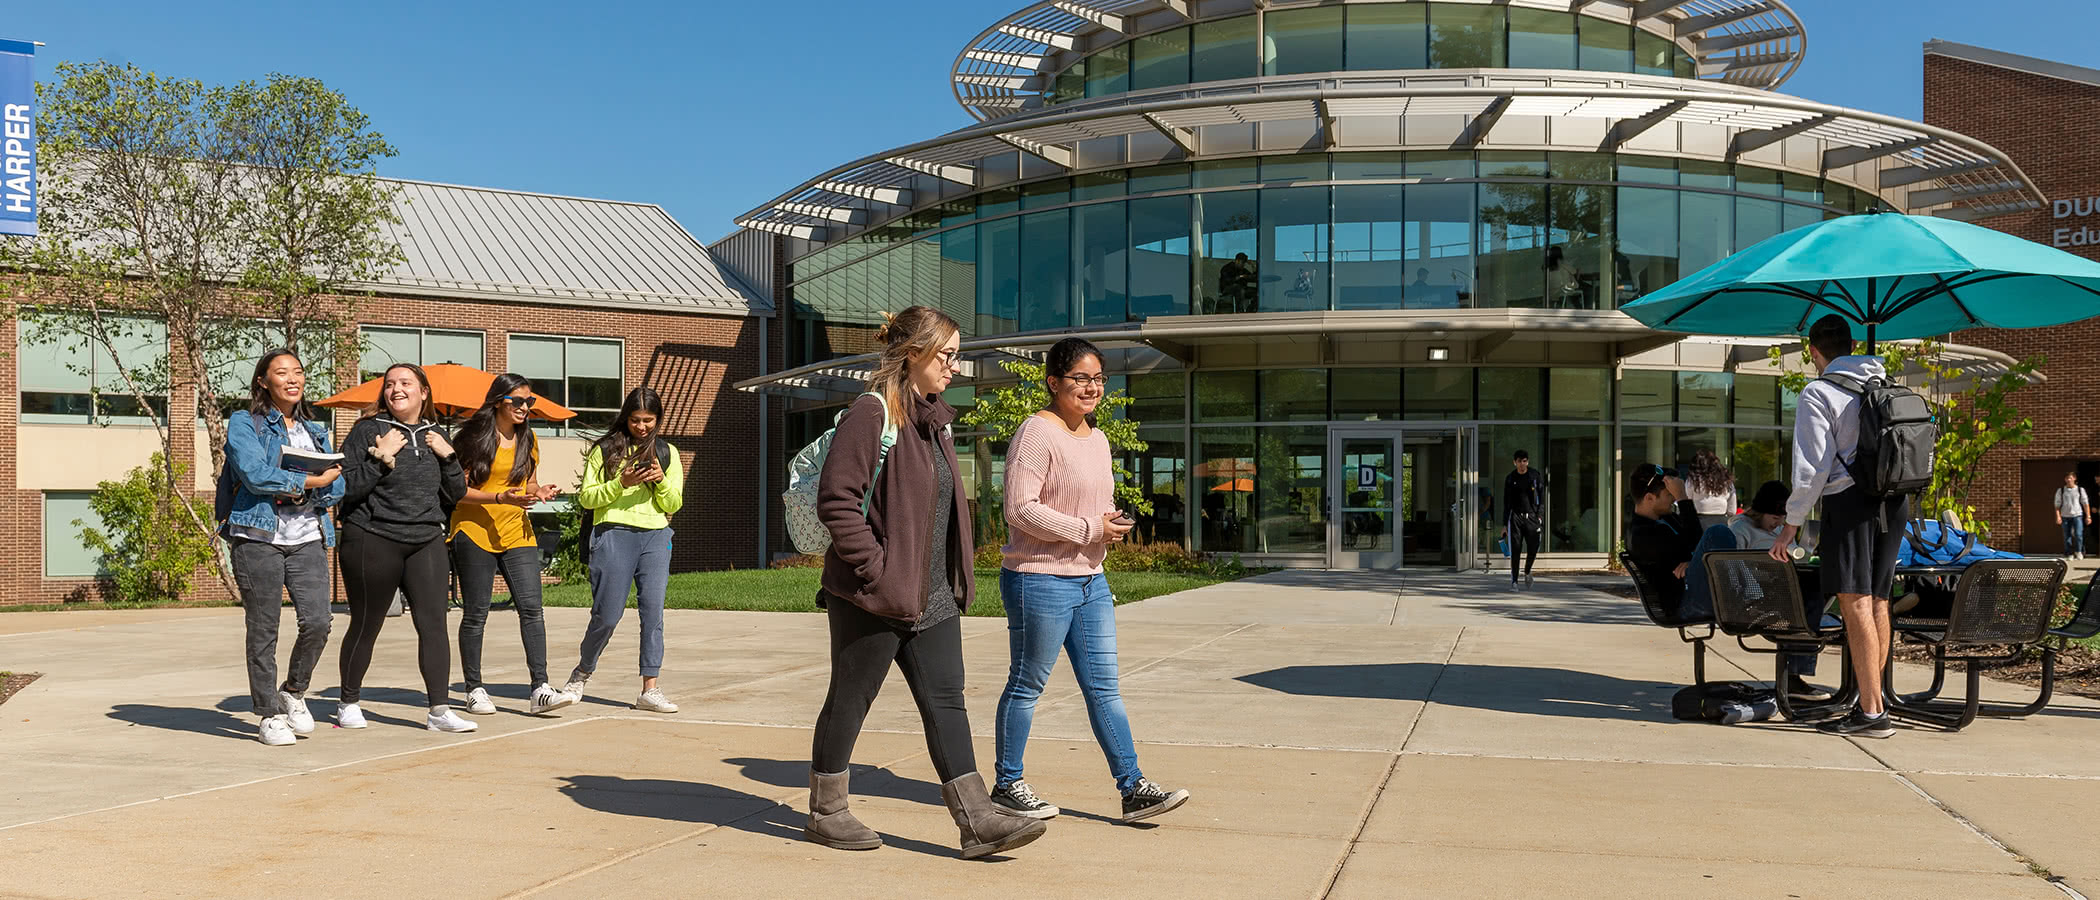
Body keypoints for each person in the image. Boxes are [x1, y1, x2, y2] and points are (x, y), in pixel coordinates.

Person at [803, 305, 1046, 860]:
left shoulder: (933, 418)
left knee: (947, 700)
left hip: (931, 593)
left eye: (956, 357)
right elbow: (838, 501)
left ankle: (977, 820)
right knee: (851, 697)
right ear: (913, 354)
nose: (954, 367)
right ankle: (827, 809)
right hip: (875, 593)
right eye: (947, 355)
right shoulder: (870, 414)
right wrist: (875, 569)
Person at [991, 337, 1190, 825]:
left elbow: (1084, 503)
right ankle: (1006, 784)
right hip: (1039, 579)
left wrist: (1107, 523)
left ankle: (1133, 788)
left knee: (1104, 687)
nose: (1092, 386)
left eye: (1099, 378)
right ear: (1054, 381)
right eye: (1081, 377)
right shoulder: (1035, 433)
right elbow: (1019, 509)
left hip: (1090, 579)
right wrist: (1087, 529)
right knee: (1028, 683)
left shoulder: (1097, 437)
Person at [1770, 315, 1902, 739]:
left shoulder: (1818, 391)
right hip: (1895, 501)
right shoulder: (1884, 382)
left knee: (1855, 602)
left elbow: (1812, 470)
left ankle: (1870, 711)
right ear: (1852, 345)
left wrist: (1791, 526)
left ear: (1814, 352)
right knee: (1879, 600)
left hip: (1849, 502)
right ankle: (1873, 700)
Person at [336, 363, 472, 733]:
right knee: (367, 624)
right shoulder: (369, 430)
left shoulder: (437, 434)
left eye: (405, 383)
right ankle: (348, 702)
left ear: (424, 392)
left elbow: (456, 494)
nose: (396, 389)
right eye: (390, 384)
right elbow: (345, 488)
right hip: (372, 537)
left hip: (425, 539)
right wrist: (381, 458)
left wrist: (449, 457)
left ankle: (439, 711)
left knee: (434, 626)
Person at [218, 349, 343, 746]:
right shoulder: (244, 423)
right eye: (281, 373)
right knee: (264, 629)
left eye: (298, 372)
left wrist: (323, 485)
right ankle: (268, 713)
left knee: (319, 622)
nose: (292, 379)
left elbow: (338, 483)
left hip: (307, 534)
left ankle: (293, 690)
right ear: (263, 382)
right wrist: (309, 482)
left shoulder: (315, 429)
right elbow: (254, 474)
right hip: (258, 537)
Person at [450, 374, 571, 717]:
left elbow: (527, 483)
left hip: (517, 530)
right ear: (498, 402)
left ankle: (540, 688)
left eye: (528, 401)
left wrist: (538, 492)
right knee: (476, 613)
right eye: (517, 401)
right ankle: (473, 688)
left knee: (532, 609)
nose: (524, 407)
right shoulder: (473, 438)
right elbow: (457, 490)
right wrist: (498, 496)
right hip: (473, 530)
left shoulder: (528, 438)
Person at [563, 387, 685, 714]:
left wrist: (659, 480)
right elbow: (587, 498)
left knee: (653, 614)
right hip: (613, 533)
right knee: (607, 615)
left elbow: (673, 504)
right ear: (625, 418)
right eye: (635, 420)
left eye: (649, 420)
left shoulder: (667, 452)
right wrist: (623, 483)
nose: (642, 427)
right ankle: (582, 672)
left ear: (658, 420)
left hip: (656, 536)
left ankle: (650, 688)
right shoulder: (604, 450)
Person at [1682, 481, 1830, 701]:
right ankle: (1794, 677)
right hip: (1757, 589)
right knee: (1803, 602)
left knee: (1815, 592)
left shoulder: (1780, 529)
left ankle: (1795, 675)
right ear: (1760, 511)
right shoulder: (1740, 529)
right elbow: (1732, 567)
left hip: (1781, 582)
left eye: (1781, 520)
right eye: (1773, 518)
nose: (1777, 523)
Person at [1626, 464, 1702, 616]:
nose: (1674, 499)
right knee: (1718, 533)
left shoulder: (1666, 519)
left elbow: (1696, 546)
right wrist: (1682, 498)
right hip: (1683, 603)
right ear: (1650, 498)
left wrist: (1694, 562)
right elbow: (1697, 542)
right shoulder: (1643, 534)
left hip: (1693, 592)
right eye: (1670, 495)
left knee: (1719, 535)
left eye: (1675, 495)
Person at [1503, 450, 1545, 590]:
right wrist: (1504, 524)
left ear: (1528, 461)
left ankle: (1527, 571)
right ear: (1515, 462)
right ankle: (1514, 581)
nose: (1522, 464)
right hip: (1515, 517)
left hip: (1532, 517)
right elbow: (1506, 503)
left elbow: (1541, 498)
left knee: (1533, 547)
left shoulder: (1534, 476)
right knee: (1516, 549)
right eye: (1520, 461)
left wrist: (1540, 515)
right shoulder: (1510, 478)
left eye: (1525, 461)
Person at [1685, 449, 1737, 531]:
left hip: (1699, 523)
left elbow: (1686, 502)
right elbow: (1732, 510)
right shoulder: (1727, 481)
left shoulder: (1693, 480)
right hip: (1722, 522)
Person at [2056, 471, 2090, 560]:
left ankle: (2078, 551)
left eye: (2070, 478)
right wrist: (2058, 516)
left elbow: (2085, 504)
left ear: (2074, 478)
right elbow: (2057, 505)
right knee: (2067, 536)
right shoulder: (2061, 490)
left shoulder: (2080, 490)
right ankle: (2069, 553)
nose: (2068, 480)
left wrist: (2088, 516)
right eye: (2067, 478)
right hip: (2065, 516)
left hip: (2077, 515)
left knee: (2078, 534)